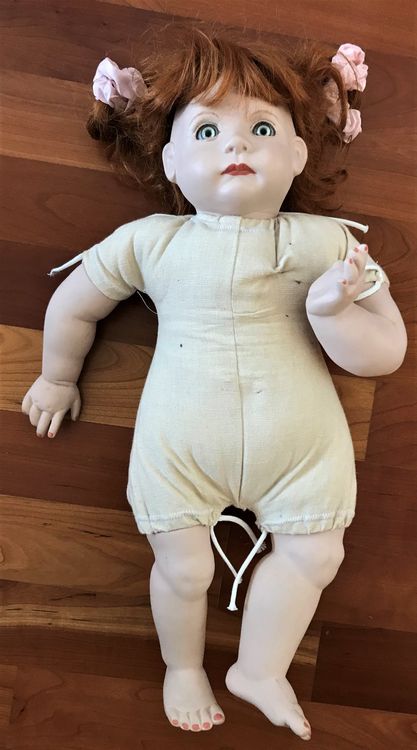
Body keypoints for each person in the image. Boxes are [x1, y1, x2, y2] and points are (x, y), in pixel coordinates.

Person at [21, 29, 407, 739]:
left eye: (262, 129)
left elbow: (386, 354)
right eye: (207, 131)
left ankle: (259, 669)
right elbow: (74, 304)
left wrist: (334, 314)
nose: (236, 144)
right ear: (171, 161)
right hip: (180, 448)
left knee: (317, 553)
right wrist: (55, 375)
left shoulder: (326, 244)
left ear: (297, 154)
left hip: (301, 452)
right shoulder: (150, 241)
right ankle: (182, 667)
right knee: (183, 569)